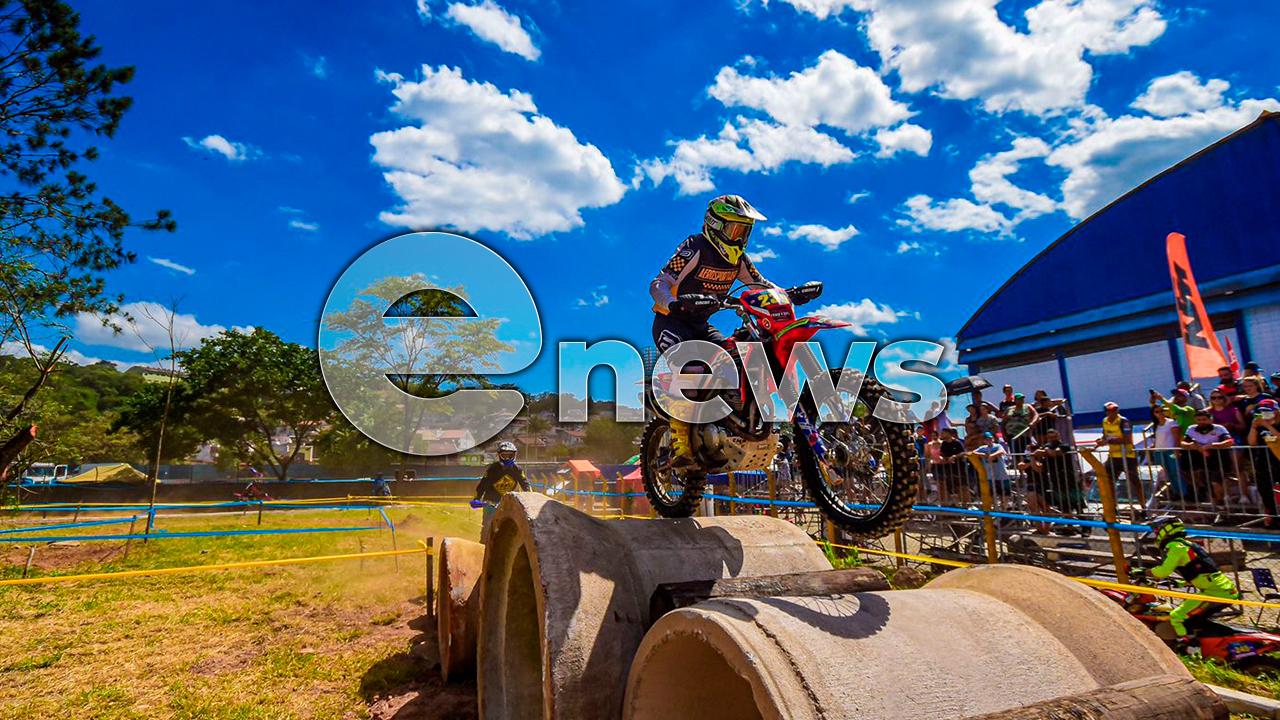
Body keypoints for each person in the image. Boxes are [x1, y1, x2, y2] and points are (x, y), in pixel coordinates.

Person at [650, 194, 776, 463]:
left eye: (745, 231)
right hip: (672, 323)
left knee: (733, 357)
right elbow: (660, 282)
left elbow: (762, 285)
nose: (740, 237)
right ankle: (681, 446)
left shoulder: (739, 259)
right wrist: (672, 304)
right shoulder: (695, 246)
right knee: (691, 371)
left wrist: (788, 295)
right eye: (735, 229)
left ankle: (727, 420)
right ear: (715, 224)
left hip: (702, 325)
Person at [1140, 516, 1239, 650]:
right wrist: (1181, 583)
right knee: (1196, 620)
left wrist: (1144, 572)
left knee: (1177, 616)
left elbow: (1163, 571)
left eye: (1157, 531)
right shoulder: (1186, 544)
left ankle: (1188, 645)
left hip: (1216, 593)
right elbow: (1202, 571)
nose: (1156, 535)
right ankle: (1208, 643)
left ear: (1166, 531)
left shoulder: (1175, 547)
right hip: (1220, 589)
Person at [472, 441, 529, 538]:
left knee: (512, 527)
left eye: (510, 456)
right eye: (504, 456)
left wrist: (529, 497)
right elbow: (483, 484)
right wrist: (477, 498)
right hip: (491, 501)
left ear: (514, 456)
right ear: (499, 456)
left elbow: (525, 483)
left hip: (508, 502)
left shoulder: (517, 470)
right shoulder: (493, 469)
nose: (507, 459)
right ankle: (484, 545)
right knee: (488, 526)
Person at [1180, 410, 1233, 514]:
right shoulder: (1191, 429)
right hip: (1200, 461)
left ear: (1210, 419)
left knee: (1215, 482)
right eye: (1199, 420)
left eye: (1204, 419)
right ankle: (1215, 508)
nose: (1201, 422)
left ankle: (1222, 505)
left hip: (1218, 459)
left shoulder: (1219, 428)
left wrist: (1212, 445)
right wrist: (1191, 445)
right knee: (1207, 484)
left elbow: (1229, 441)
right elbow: (1183, 443)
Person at [1098, 401, 1143, 510]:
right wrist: (1101, 441)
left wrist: (1109, 440)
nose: (1113, 412)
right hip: (1113, 456)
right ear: (1106, 412)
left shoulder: (1124, 421)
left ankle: (1143, 505)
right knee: (1108, 480)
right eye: (1110, 411)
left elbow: (1128, 439)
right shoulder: (1105, 421)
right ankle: (1113, 506)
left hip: (1128, 456)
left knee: (1134, 482)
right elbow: (1105, 436)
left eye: (1115, 410)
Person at [1247, 398, 1280, 524]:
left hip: (1278, 459)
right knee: (1265, 491)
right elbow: (1252, 442)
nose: (1264, 414)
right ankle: (1272, 516)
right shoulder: (1259, 424)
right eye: (1262, 411)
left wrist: (1267, 425)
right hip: (1264, 461)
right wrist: (1254, 427)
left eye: (1267, 411)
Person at [1001, 392, 1037, 457]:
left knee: (1026, 453)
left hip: (1024, 434)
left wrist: (1033, 422)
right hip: (1012, 435)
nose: (1021, 400)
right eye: (1019, 399)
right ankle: (1017, 464)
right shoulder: (1009, 409)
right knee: (1015, 453)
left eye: (1022, 399)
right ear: (1015, 400)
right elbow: (1003, 422)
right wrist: (1004, 434)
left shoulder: (1028, 406)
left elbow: (1036, 415)